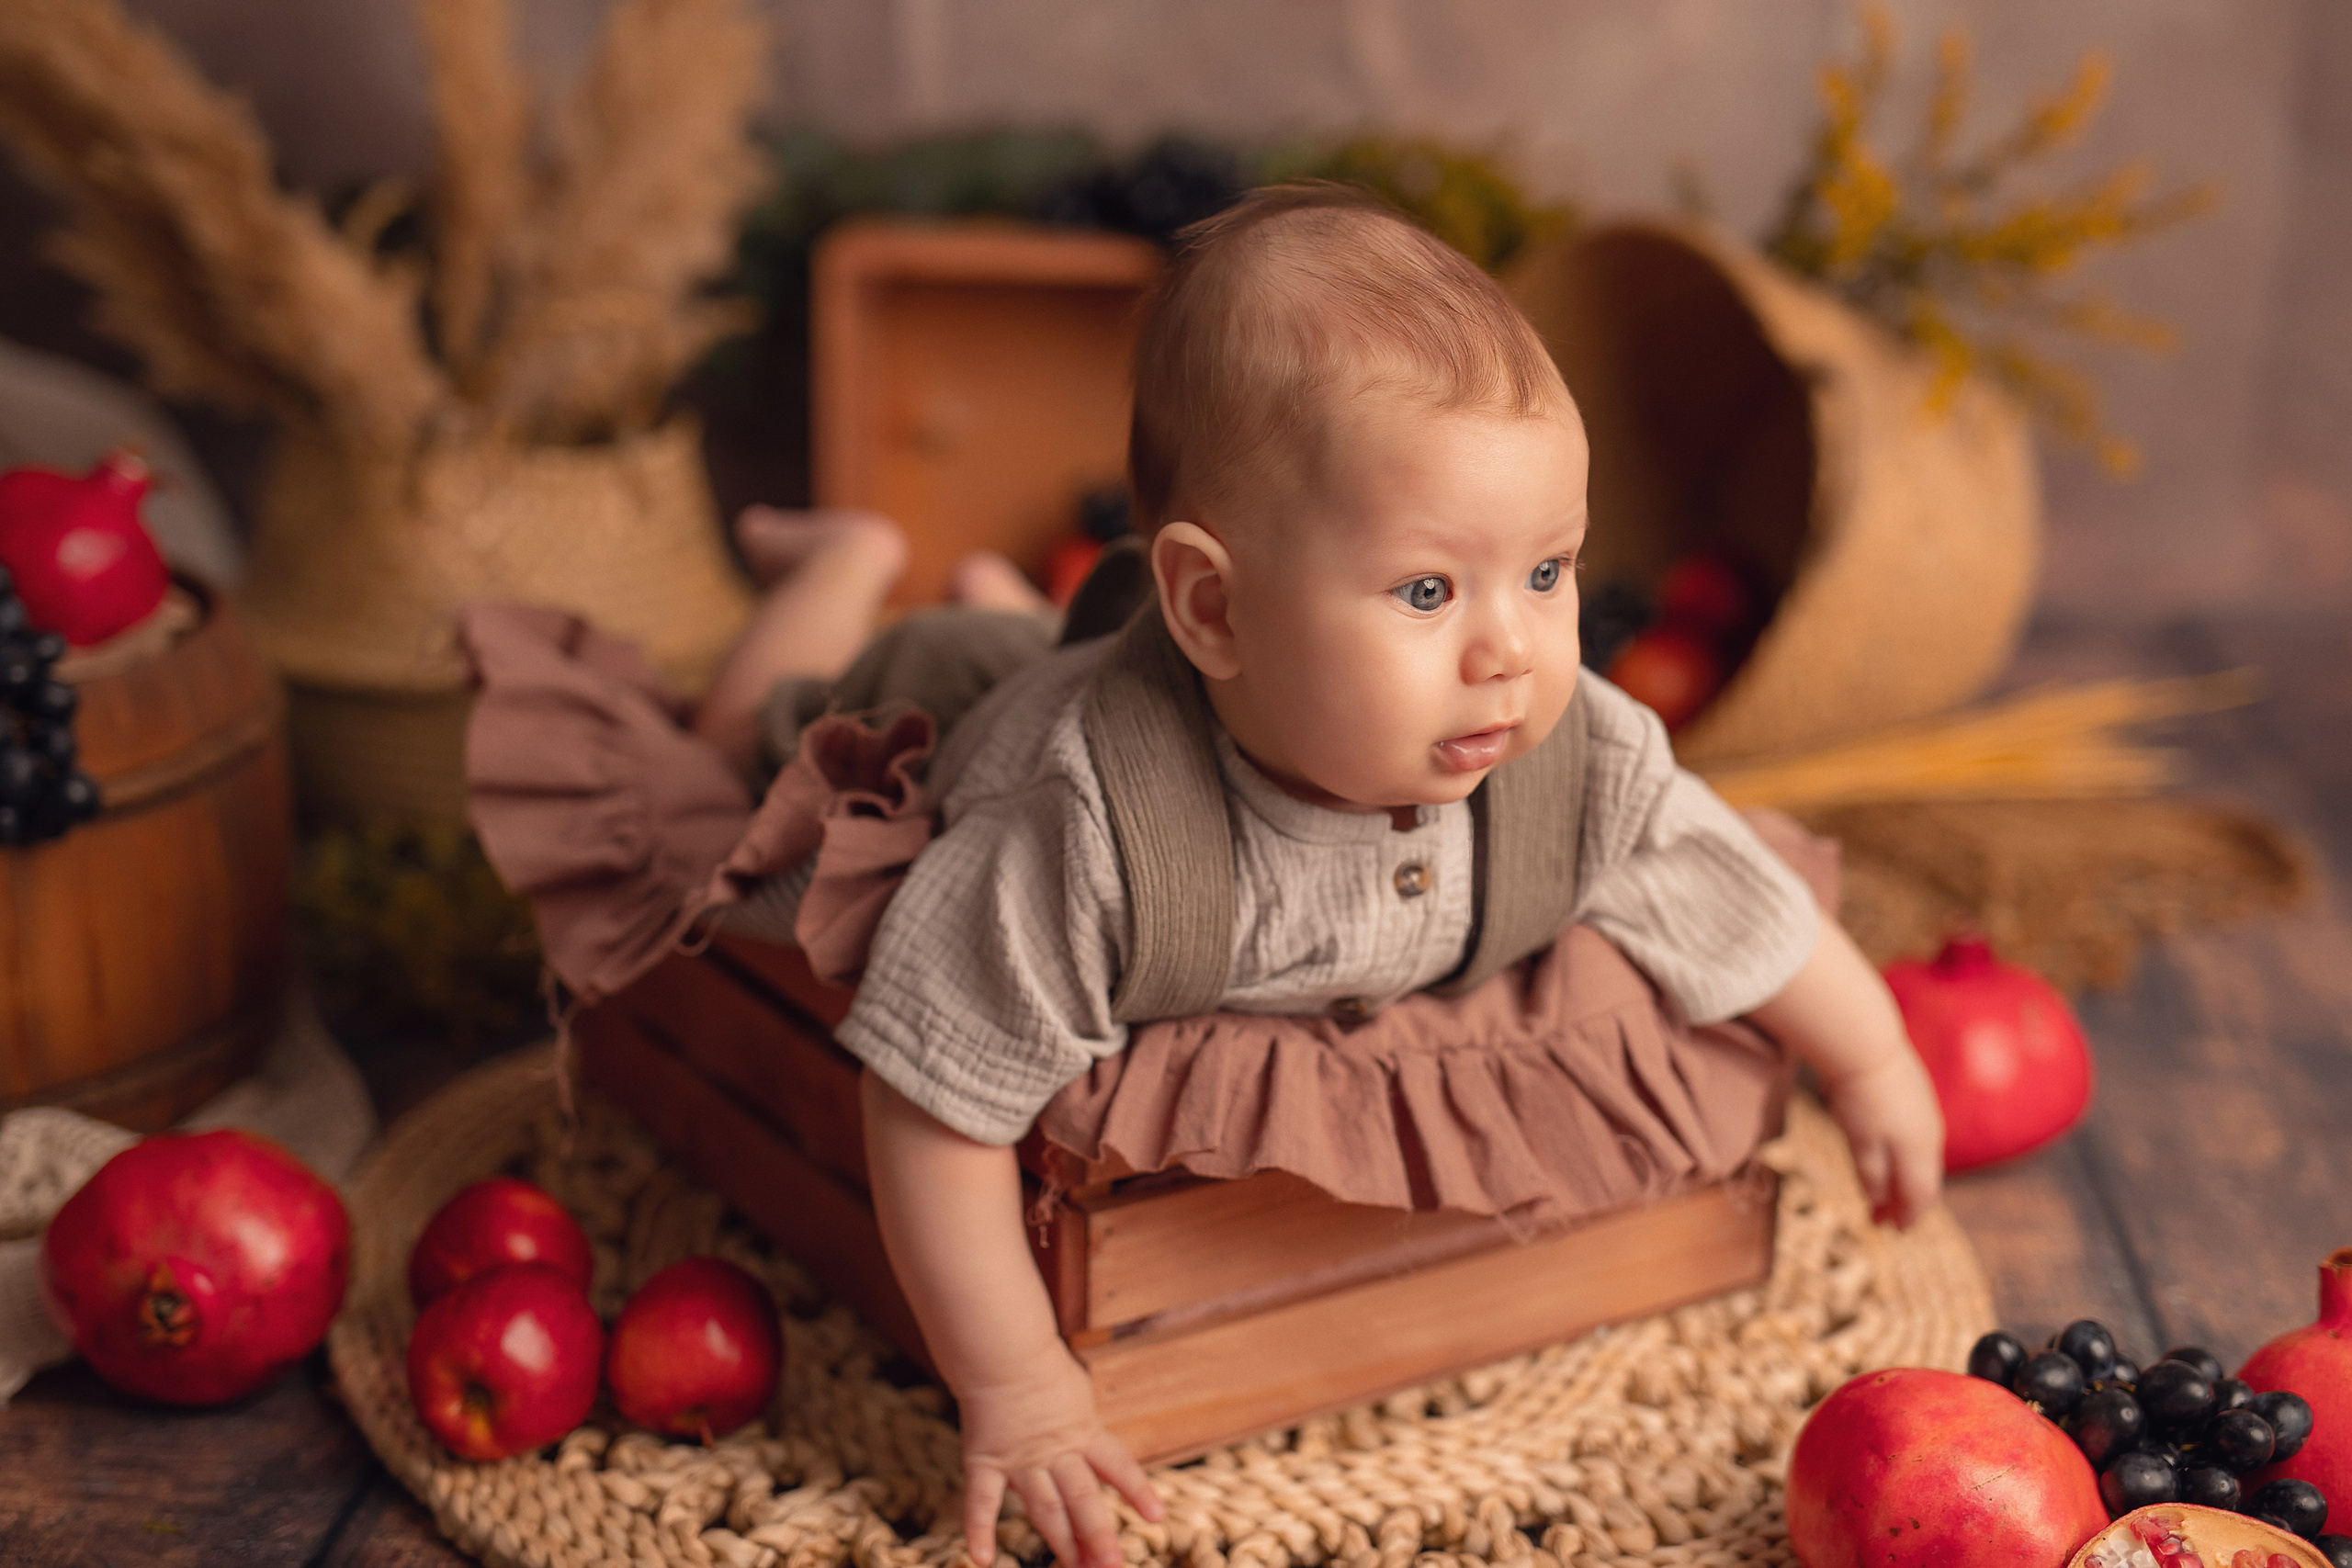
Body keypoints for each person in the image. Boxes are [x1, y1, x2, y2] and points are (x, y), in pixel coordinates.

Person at [466, 184, 1944, 1568]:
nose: (1511, 647)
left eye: (1546, 571)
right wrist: (1020, 1383)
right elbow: (932, 1099)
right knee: (744, 757)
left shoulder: (1575, 752)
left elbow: (1725, 897)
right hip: (957, 725)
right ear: (1214, 608)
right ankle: (843, 573)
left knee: (1028, 639)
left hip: (1120, 657)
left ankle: (1006, 602)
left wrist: (1873, 1064)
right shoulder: (1090, 832)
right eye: (1429, 590)